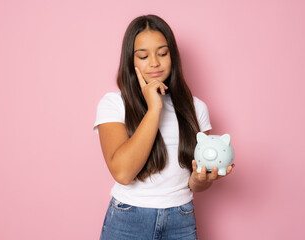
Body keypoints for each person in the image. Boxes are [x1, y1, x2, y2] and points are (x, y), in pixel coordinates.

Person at [93, 14, 235, 240]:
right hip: (128, 219)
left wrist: (201, 180)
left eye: (162, 53)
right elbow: (123, 172)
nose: (154, 62)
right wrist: (154, 109)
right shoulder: (113, 104)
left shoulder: (195, 108)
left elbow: (195, 180)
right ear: (131, 60)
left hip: (181, 219)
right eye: (143, 55)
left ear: (173, 56)